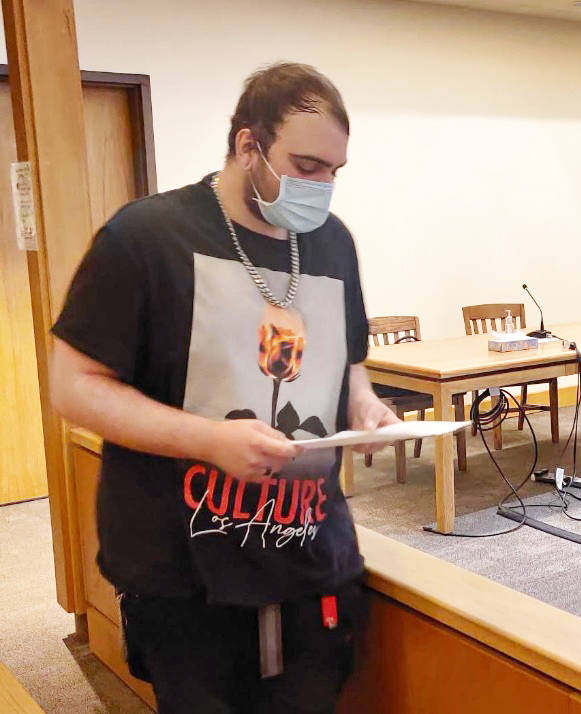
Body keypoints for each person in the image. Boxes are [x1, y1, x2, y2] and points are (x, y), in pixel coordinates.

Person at [49, 62, 400, 713]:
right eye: (306, 166)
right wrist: (208, 440)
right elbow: (74, 387)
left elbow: (349, 361)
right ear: (247, 146)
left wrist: (366, 404)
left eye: (334, 171)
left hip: (310, 556)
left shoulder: (332, 243)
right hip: (184, 568)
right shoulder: (145, 239)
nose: (322, 187)